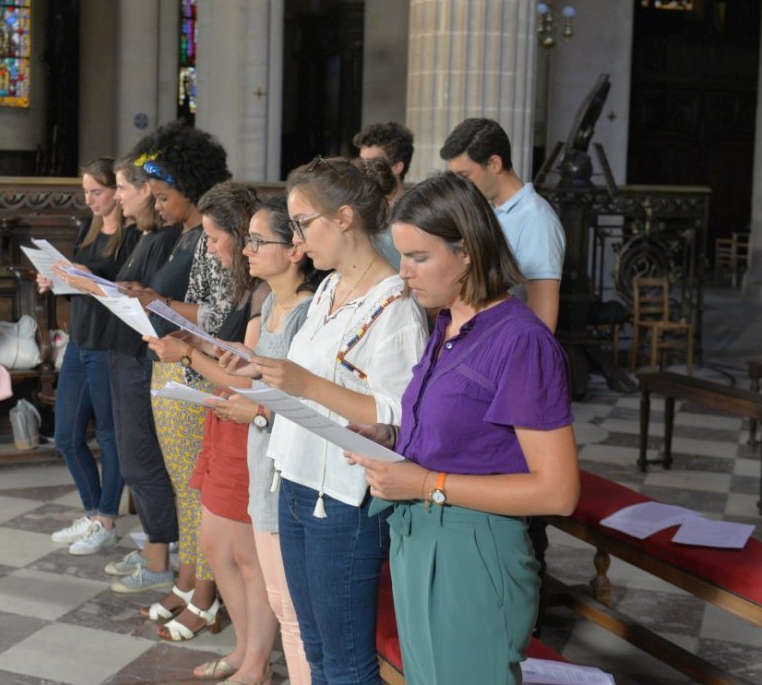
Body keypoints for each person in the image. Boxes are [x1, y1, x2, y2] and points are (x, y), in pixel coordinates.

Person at [347, 173, 579, 685]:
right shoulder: (448, 321)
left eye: (419, 257)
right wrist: (392, 439)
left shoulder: (521, 341)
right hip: (421, 531)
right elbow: (462, 431)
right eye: (401, 255)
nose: (403, 272)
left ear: (468, 251)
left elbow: (558, 492)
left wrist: (427, 484)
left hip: (475, 546)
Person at [253, 156, 428, 684]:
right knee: (316, 650)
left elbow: (399, 416)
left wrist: (304, 384)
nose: (299, 242)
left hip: (345, 496)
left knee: (349, 663)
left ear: (345, 217)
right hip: (296, 477)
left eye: (304, 224)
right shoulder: (328, 289)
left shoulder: (395, 305)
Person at [145, 183, 277, 684]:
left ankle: (256, 663)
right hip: (224, 419)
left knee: (247, 556)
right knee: (218, 547)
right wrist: (204, 343)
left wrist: (192, 354)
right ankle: (244, 650)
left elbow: (251, 375)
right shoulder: (247, 288)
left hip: (248, 424)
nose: (217, 249)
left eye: (219, 239)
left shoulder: (269, 294)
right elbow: (240, 352)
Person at [120, 122, 232, 631]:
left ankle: (205, 593)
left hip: (196, 368)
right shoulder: (182, 234)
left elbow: (220, 316)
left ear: (189, 185)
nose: (157, 204)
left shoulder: (210, 236)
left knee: (197, 488)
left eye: (164, 195)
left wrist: (157, 301)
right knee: (181, 485)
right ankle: (187, 580)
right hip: (169, 361)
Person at [56, 139, 182, 592]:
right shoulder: (145, 236)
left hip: (135, 352)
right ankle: (151, 546)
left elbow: (153, 298)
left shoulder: (161, 236)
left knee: (140, 458)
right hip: (111, 346)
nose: (121, 198)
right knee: (125, 454)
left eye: (124, 188)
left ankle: (157, 554)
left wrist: (104, 287)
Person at [220, 195, 316, 685]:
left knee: (295, 611)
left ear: (295, 249)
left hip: (290, 470)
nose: (247, 250)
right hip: (264, 462)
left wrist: (257, 408)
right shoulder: (271, 304)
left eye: (258, 241)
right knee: (280, 603)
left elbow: (312, 404)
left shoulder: (306, 314)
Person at [38, 158, 139, 555]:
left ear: (116, 191)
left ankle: (107, 518)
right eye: (86, 193)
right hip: (80, 339)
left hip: (111, 342)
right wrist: (54, 277)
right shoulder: (87, 229)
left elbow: (127, 289)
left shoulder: (133, 237)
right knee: (66, 434)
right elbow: (77, 280)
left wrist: (85, 276)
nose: (90, 199)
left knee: (110, 435)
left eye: (96, 192)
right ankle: (94, 512)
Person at [439, 117, 565, 331]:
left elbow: (543, 319)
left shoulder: (537, 219)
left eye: (464, 175)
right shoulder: (490, 209)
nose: (460, 186)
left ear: (494, 163)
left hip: (504, 348)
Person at [353, 122, 414, 270]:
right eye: (362, 162)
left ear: (397, 167)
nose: (364, 170)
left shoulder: (415, 214)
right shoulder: (356, 209)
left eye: (373, 163)